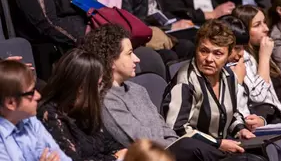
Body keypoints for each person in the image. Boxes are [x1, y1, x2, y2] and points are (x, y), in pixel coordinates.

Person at [81, 23, 259, 161]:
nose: (137, 59)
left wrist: (240, 129)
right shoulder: (107, 97)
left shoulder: (137, 90)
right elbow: (139, 140)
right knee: (192, 146)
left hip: (181, 149)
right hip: (157, 156)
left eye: (218, 53)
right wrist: (182, 144)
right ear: (111, 61)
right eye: (129, 54)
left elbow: (164, 128)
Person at [162, 20, 262, 155]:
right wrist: (217, 144)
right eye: (204, 51)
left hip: (222, 148)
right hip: (196, 154)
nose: (209, 59)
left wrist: (240, 130)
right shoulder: (185, 81)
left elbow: (232, 114)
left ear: (228, 55)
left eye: (218, 53)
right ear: (196, 49)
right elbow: (177, 128)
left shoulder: (229, 76)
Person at [37, 48, 127, 160]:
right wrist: (114, 158)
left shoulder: (84, 110)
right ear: (81, 88)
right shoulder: (50, 116)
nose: (99, 90)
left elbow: (108, 143)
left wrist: (125, 152)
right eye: (98, 85)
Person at [0, 60, 71, 160]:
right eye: (31, 93)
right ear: (11, 103)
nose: (38, 96)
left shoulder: (31, 120)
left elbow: (62, 157)